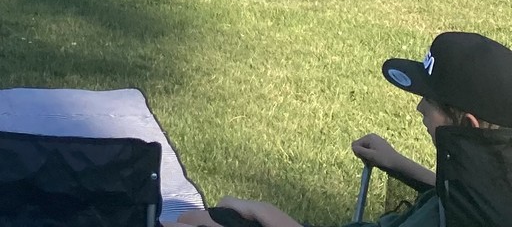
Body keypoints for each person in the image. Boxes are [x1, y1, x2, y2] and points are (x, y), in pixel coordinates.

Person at [177, 31, 512, 227]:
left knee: (198, 221)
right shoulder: (492, 176)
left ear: (467, 125)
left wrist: (269, 215)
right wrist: (397, 163)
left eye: (430, 101)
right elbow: (453, 193)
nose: (419, 107)